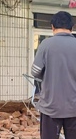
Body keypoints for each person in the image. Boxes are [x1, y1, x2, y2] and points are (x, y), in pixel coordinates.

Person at [31, 11, 76, 139]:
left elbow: (35, 72)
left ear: (52, 27)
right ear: (71, 28)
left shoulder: (46, 45)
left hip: (51, 108)